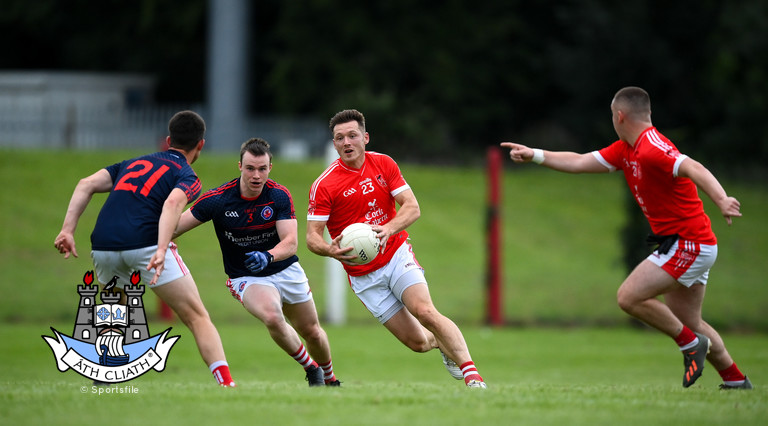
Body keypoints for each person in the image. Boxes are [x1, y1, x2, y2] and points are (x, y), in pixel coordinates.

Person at [500, 86, 752, 390]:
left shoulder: (652, 147)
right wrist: (535, 155)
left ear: (619, 116)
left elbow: (692, 167)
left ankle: (690, 345)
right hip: (685, 243)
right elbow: (580, 162)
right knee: (690, 321)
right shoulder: (626, 149)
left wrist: (721, 198)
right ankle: (735, 379)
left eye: (611, 116)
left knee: (629, 297)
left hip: (689, 243)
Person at [54, 110, 236, 387]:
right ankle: (226, 383)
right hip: (146, 245)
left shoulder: (132, 163)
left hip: (104, 246)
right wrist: (162, 248)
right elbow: (173, 204)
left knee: (117, 309)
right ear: (201, 144)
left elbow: (86, 184)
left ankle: (104, 376)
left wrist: (67, 230)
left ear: (167, 139)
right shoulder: (187, 175)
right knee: (196, 316)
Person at [306, 109, 486, 389]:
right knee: (418, 342)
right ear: (334, 144)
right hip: (364, 277)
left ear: (365, 137)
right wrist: (330, 251)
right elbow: (312, 238)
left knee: (425, 311)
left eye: (353, 135)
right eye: (340, 138)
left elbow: (412, 207)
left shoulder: (383, 164)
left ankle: (473, 377)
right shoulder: (324, 185)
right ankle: (442, 342)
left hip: (396, 254)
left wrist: (388, 229)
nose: (347, 142)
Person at [174, 137, 341, 387]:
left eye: (262, 169)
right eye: (250, 168)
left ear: (269, 168)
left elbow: (291, 243)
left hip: (285, 269)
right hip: (246, 276)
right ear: (239, 166)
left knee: (312, 332)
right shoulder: (218, 200)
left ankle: (330, 378)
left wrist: (268, 255)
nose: (256, 175)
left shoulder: (279, 196)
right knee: (273, 317)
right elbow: (174, 227)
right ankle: (311, 368)